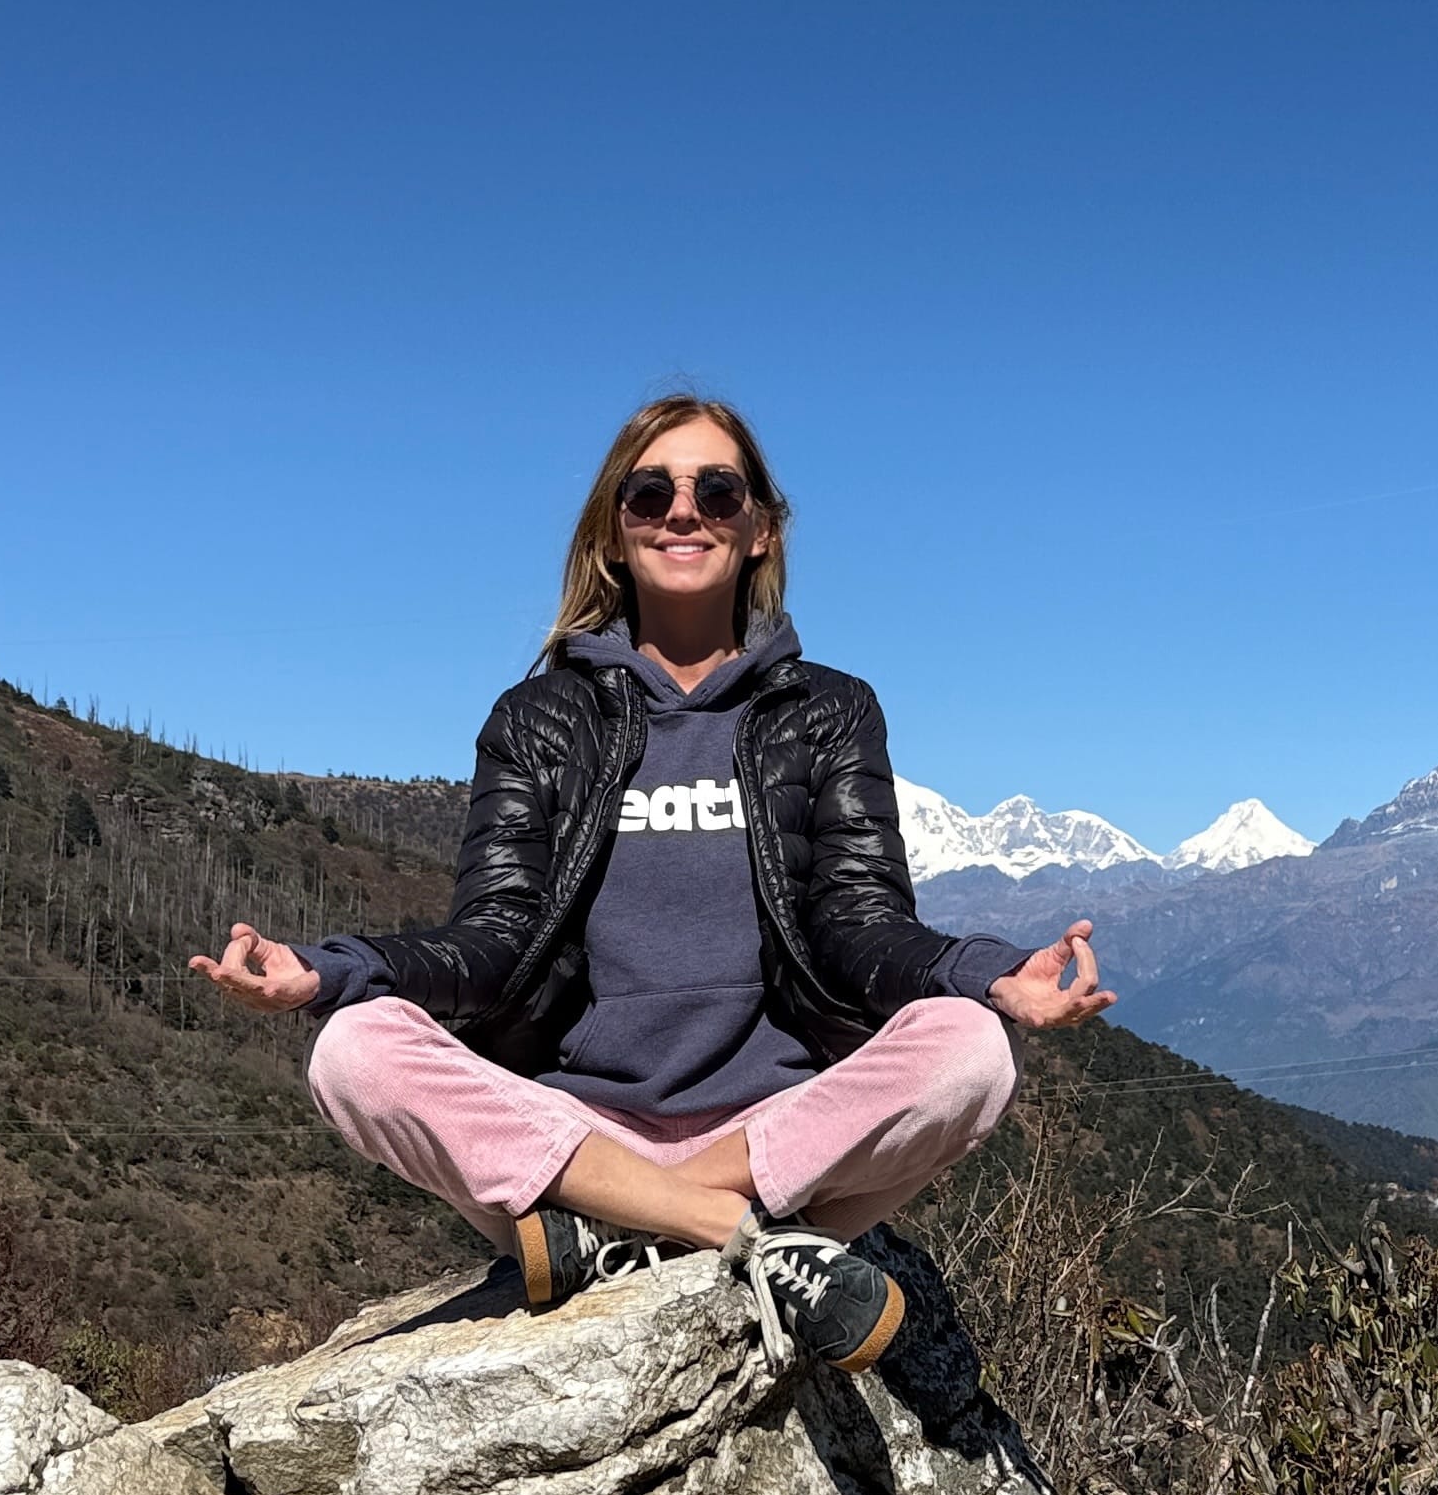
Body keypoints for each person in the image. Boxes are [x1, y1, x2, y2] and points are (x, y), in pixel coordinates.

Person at [191, 394, 1115, 1373]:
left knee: (973, 1051)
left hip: (762, 1127)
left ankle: (613, 1229)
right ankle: (745, 1242)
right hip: (580, 1124)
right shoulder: (540, 719)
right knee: (355, 1052)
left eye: (718, 490)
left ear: (759, 530)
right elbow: (494, 937)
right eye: (651, 493)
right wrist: (330, 973)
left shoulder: (829, 713)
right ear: (613, 535)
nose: (685, 511)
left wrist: (991, 974)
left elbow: (859, 925)